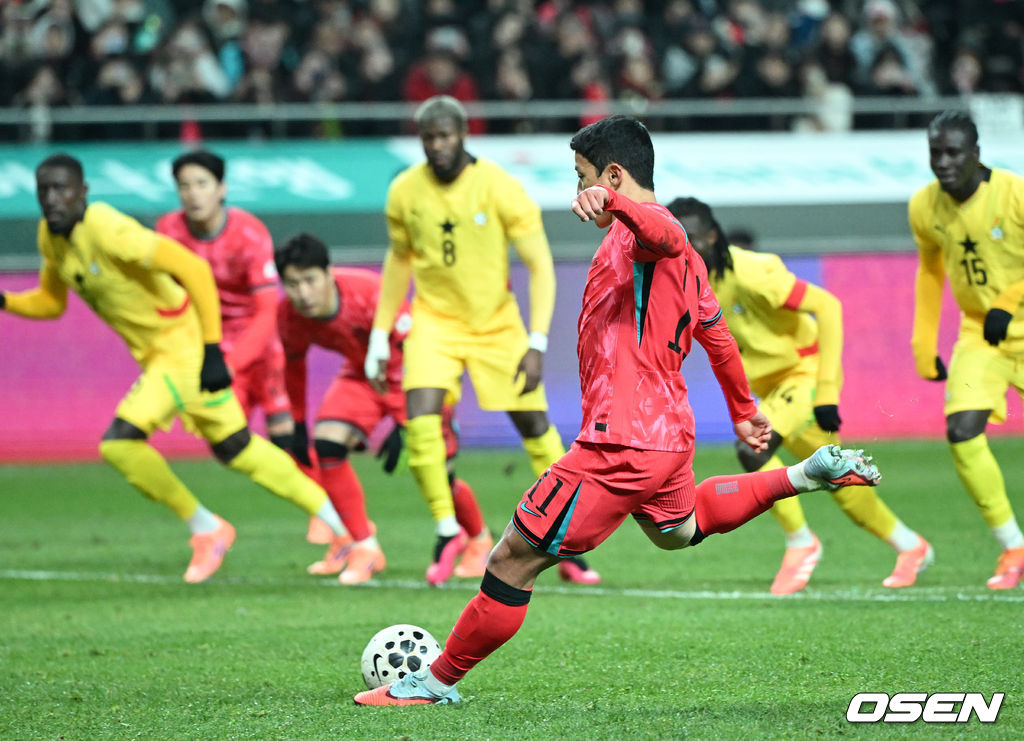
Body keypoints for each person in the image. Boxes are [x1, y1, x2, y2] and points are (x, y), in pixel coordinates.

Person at [353, 115, 882, 706]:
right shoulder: (686, 261)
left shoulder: (647, 234)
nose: (578, 190)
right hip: (667, 436)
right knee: (679, 530)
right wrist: (742, 409)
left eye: (582, 178)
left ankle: (432, 683)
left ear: (611, 175)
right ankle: (806, 474)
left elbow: (665, 232)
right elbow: (717, 336)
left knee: (512, 559)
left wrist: (615, 203)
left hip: (621, 442)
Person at [0, 153, 350, 583]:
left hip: (182, 350)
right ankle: (342, 527)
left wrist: (212, 350)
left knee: (119, 444)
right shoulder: (51, 238)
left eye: (62, 189)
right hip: (163, 355)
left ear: (83, 193)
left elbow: (194, 269)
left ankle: (207, 528)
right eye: (44, 191)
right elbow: (51, 303)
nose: (52, 199)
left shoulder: (110, 230)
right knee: (238, 448)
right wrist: (5, 300)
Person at [365, 94, 599, 586]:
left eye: (444, 136)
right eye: (428, 138)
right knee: (420, 418)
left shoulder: (500, 187)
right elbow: (399, 259)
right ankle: (446, 529)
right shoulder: (404, 191)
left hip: (496, 325)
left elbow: (540, 264)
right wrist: (380, 334)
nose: (437, 146)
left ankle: (564, 536)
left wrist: (536, 342)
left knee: (534, 426)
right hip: (434, 323)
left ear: (463, 134)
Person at [668, 196, 932, 594]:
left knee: (753, 449)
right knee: (838, 475)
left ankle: (801, 542)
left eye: (691, 237)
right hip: (771, 388)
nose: (683, 246)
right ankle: (911, 545)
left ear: (712, 237)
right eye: (676, 237)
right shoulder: (689, 281)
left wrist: (825, 392)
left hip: (803, 373)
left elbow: (827, 306)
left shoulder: (754, 273)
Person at [273, 233, 492, 584]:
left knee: (438, 474)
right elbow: (294, 366)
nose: (303, 293)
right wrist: (298, 423)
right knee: (327, 444)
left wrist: (407, 423)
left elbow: (419, 347)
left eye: (310, 280)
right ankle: (365, 547)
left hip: (415, 375)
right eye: (292, 284)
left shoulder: (367, 292)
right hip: (362, 376)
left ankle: (479, 540)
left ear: (329, 273)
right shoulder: (289, 316)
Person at [154, 150, 333, 542]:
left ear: (222, 188)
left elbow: (266, 311)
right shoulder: (167, 231)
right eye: (184, 186)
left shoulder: (249, 233)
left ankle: (324, 512)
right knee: (226, 445)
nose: (193, 193)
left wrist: (230, 365)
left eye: (202, 184)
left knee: (285, 434)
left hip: (257, 344)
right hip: (207, 348)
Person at [910, 110, 1024, 590]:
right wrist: (923, 339)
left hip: (1013, 316)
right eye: (936, 153)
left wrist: (1009, 299)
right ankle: (1013, 547)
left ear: (976, 154)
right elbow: (930, 269)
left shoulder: (1013, 194)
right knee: (961, 429)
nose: (943, 162)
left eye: (954, 153)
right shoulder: (924, 206)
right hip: (982, 333)